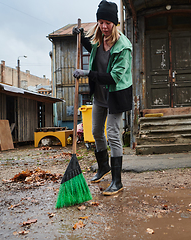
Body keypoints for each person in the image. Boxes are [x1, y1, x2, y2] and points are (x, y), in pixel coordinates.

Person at [73, 0, 132, 196]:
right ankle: (103, 167)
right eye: (101, 22)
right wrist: (80, 37)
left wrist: (86, 73)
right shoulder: (99, 41)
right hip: (99, 95)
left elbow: (114, 77)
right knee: (96, 131)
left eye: (108, 22)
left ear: (115, 23)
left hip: (116, 96)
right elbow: (93, 51)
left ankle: (117, 181)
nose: (104, 26)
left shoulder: (123, 47)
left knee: (113, 135)